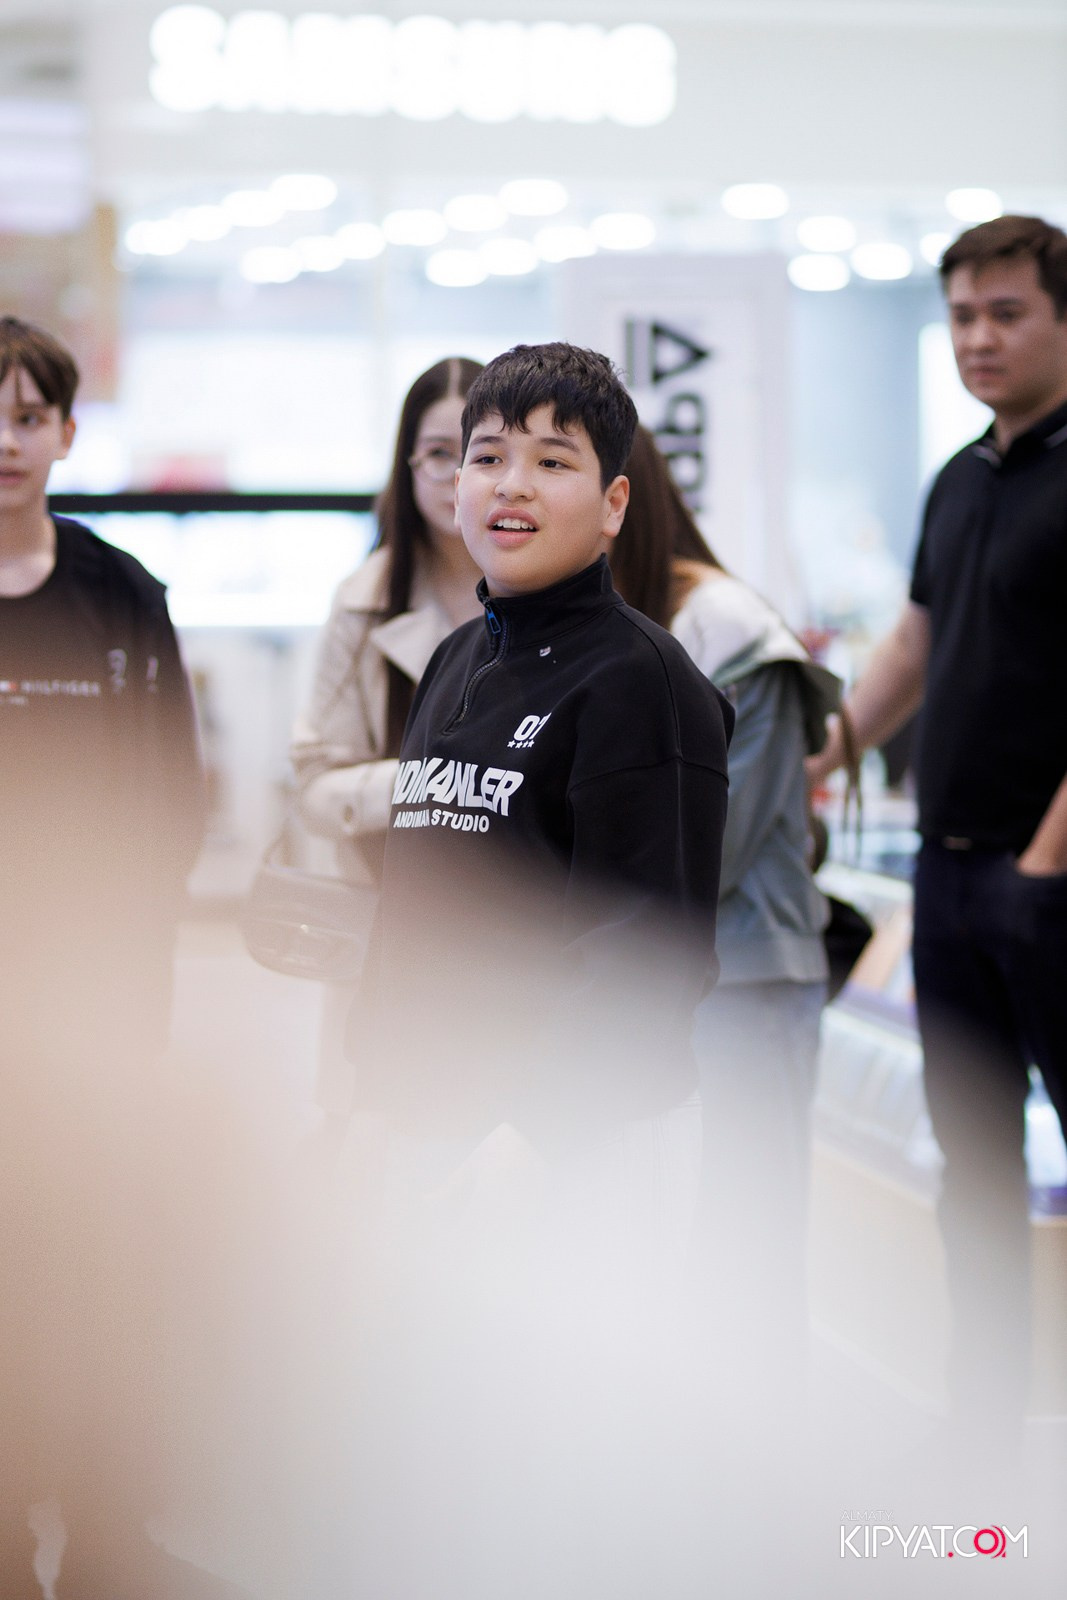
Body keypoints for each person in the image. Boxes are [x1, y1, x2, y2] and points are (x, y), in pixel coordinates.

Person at [339, 344, 733, 1599]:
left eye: (551, 461)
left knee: (561, 1470)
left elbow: (647, 956)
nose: (507, 485)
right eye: (485, 455)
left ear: (612, 503)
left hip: (564, 1148)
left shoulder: (646, 686)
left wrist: (523, 1140)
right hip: (430, 1124)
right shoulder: (456, 660)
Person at [808, 215, 1067, 1462]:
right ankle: (983, 1426)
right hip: (951, 881)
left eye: (1004, 313)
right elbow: (913, 640)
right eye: (961, 315)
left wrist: (1044, 864)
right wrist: (824, 749)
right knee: (971, 1170)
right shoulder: (960, 477)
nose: (977, 338)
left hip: (1047, 886)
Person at [0, 317, 247, 1595]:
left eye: (26, 415)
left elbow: (171, 800)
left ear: (64, 432)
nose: (5, 440)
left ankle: (104, 1531)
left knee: (102, 1265)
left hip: (98, 1008)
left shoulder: (121, 595)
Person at [610, 424, 839, 1417]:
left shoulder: (730, 631)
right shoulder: (604, 624)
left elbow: (714, 844)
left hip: (742, 980)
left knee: (745, 1245)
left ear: (620, 496)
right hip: (649, 984)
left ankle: (760, 1461)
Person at [290, 355, 484, 1115]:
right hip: (389, 925)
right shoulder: (364, 600)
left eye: (479, 452)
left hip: (528, 929)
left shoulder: (556, 591)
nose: (456, 476)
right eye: (436, 453)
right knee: (385, 1138)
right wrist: (437, 783)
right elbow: (316, 785)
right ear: (406, 465)